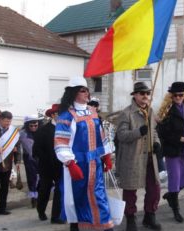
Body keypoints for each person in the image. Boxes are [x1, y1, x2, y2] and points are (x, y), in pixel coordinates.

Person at [54, 76, 113, 231]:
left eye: (87, 90)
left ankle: (105, 227)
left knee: (99, 198)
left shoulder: (92, 112)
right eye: (82, 90)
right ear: (73, 93)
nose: (86, 93)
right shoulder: (66, 116)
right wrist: (70, 163)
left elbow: (101, 134)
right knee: (78, 199)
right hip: (78, 166)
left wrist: (106, 155)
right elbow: (61, 142)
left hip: (95, 165)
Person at [116, 81, 162, 231]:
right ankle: (130, 219)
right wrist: (138, 132)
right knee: (130, 190)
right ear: (135, 95)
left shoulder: (150, 111)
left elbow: (154, 131)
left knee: (154, 188)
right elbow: (121, 135)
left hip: (150, 157)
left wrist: (156, 142)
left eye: (147, 93)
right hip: (133, 158)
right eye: (142, 93)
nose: (145, 96)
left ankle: (150, 215)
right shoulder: (127, 113)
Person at [157, 82, 184, 223]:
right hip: (172, 150)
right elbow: (162, 133)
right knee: (174, 180)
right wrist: (180, 138)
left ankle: (170, 196)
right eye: (176, 95)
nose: (179, 97)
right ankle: (176, 210)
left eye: (181, 95)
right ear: (171, 96)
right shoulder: (166, 110)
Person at [33, 104, 64, 224]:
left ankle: (56, 216)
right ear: (53, 115)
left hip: (61, 166)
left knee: (59, 191)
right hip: (46, 166)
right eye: (59, 114)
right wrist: (47, 159)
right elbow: (36, 150)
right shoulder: (43, 130)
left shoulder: (65, 129)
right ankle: (41, 210)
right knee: (44, 190)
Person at [19, 114, 42, 208]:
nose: (33, 127)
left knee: (42, 178)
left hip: (41, 158)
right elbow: (15, 145)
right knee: (32, 177)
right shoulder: (22, 133)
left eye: (35, 125)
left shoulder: (42, 132)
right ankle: (34, 198)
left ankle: (41, 196)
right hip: (29, 158)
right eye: (31, 125)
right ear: (27, 125)